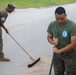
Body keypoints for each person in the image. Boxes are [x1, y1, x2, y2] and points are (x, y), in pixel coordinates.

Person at [47, 7, 76, 75]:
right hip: (57, 55)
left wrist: (59, 51)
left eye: (61, 18)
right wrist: (53, 42)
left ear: (65, 15)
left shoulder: (72, 26)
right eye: (57, 18)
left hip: (70, 55)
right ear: (55, 16)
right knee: (58, 73)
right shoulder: (52, 24)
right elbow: (49, 37)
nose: (59, 21)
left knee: (71, 73)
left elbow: (74, 44)